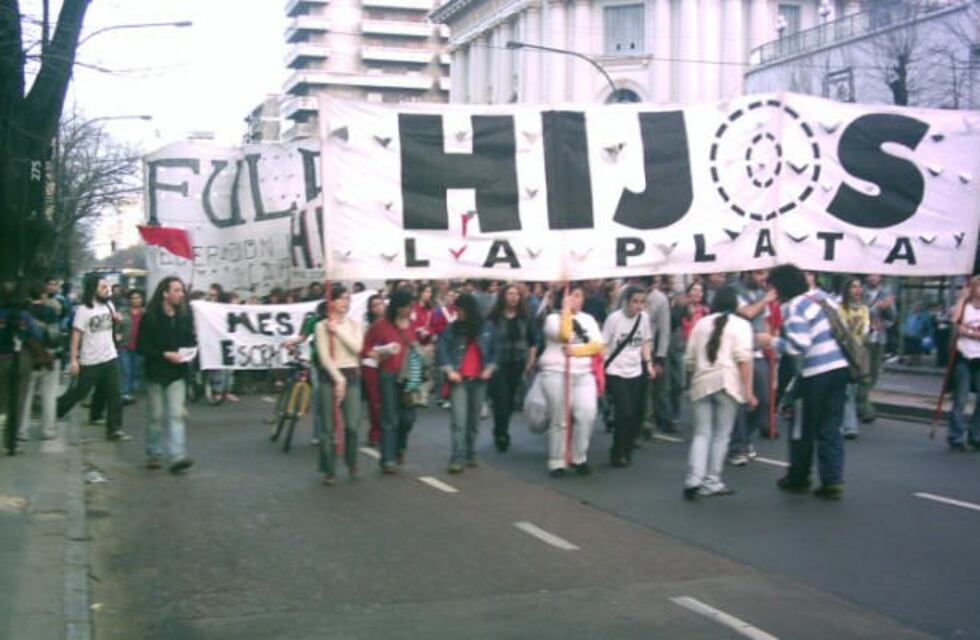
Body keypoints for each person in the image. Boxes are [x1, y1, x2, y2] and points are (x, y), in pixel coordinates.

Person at [758, 264, 850, 500]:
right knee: (830, 427)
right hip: (838, 367)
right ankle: (832, 481)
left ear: (779, 287)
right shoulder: (813, 301)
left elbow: (800, 345)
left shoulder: (793, 307)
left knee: (802, 427)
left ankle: (799, 477)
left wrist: (771, 341)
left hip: (816, 372)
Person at [683, 286, 756, 499]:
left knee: (701, 433)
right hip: (727, 382)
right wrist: (748, 392)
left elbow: (689, 360)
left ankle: (693, 478)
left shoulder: (701, 323)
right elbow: (744, 360)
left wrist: (690, 385)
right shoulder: (742, 325)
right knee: (721, 436)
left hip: (701, 381)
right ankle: (712, 481)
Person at [538, 283, 604, 477]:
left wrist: (576, 351)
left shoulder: (588, 319)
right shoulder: (552, 319)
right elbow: (565, 334)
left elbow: (597, 345)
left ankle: (579, 456)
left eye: (580, 296)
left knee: (587, 413)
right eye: (573, 295)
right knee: (560, 418)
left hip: (583, 373)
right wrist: (566, 311)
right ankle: (557, 460)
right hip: (556, 372)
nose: (577, 300)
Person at [56, 275, 128, 441]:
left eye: (107, 287)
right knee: (80, 392)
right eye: (102, 287)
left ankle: (114, 429)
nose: (106, 290)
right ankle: (57, 409)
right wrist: (74, 359)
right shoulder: (84, 310)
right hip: (90, 360)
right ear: (93, 289)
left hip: (110, 357)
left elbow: (112, 326)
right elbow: (76, 334)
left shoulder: (109, 305)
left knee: (115, 394)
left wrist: (117, 321)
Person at [137, 277, 196, 472]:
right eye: (177, 290)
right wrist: (164, 354)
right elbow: (141, 347)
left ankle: (177, 457)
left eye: (182, 291)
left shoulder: (185, 316)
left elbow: (190, 341)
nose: (181, 294)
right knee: (156, 416)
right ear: (165, 293)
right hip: (155, 374)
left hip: (177, 374)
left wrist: (189, 351)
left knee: (176, 416)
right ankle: (154, 453)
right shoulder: (150, 317)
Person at [437, 292, 498, 473]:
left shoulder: (486, 328)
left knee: (473, 421)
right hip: (460, 379)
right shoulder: (452, 329)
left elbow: (496, 350)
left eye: (461, 310)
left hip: (479, 379)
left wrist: (490, 368)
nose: (458, 314)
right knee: (458, 420)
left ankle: (471, 451)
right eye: (457, 310)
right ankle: (457, 456)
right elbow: (443, 350)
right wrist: (449, 370)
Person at [362, 288, 419, 473]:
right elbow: (365, 347)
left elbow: (415, 346)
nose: (411, 309)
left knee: (408, 418)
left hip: (409, 375)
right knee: (390, 417)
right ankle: (387, 459)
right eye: (408, 306)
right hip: (388, 374)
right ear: (398, 307)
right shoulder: (381, 325)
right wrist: (380, 352)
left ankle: (400, 446)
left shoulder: (411, 325)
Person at [315, 285, 364, 485]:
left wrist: (338, 332)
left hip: (351, 375)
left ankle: (351, 460)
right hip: (330, 377)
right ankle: (328, 469)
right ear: (332, 301)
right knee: (327, 427)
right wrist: (337, 378)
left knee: (352, 425)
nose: (345, 303)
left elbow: (357, 348)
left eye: (348, 299)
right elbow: (324, 356)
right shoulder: (321, 326)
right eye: (341, 298)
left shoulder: (354, 324)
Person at [602, 285, 655, 468]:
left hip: (635, 370)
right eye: (634, 301)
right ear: (626, 301)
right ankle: (618, 453)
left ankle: (627, 447)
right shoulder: (614, 319)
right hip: (615, 370)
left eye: (642, 302)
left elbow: (646, 340)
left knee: (635, 414)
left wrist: (648, 363)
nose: (638, 306)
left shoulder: (644, 319)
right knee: (623, 412)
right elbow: (604, 344)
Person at [728, 269, 776, 466]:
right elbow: (747, 313)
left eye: (763, 273)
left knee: (762, 399)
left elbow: (764, 322)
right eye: (757, 273)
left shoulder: (760, 293)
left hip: (756, 352)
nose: (761, 278)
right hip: (738, 352)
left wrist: (768, 339)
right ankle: (737, 447)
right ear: (745, 273)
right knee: (741, 400)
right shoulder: (733, 291)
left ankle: (746, 437)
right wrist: (766, 299)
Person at [486, 284, 537, 452]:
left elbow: (532, 341)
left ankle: (503, 428)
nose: (513, 297)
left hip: (518, 361)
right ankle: (501, 433)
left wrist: (530, 361)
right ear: (503, 296)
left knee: (510, 400)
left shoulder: (525, 317)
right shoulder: (494, 318)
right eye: (510, 293)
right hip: (498, 363)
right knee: (501, 397)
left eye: (516, 294)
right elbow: (487, 341)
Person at [18, 281, 63, 441]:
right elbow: (55, 338)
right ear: (43, 295)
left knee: (25, 395)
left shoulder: (23, 312)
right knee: (49, 395)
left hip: (28, 358)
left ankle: (21, 431)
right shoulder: (50, 312)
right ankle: (48, 430)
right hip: (48, 358)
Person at [1, 281, 41, 454]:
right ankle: (11, 443)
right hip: (20, 360)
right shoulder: (24, 316)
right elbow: (37, 335)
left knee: (3, 399)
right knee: (18, 401)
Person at [948, 277, 980, 451]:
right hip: (964, 356)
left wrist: (967, 332)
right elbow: (955, 323)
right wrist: (961, 299)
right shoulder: (965, 307)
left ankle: (976, 435)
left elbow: (964, 330)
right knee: (960, 399)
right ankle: (956, 436)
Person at [860, 274, 895, 423]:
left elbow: (892, 318)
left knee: (873, 374)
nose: (872, 278)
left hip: (879, 339)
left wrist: (887, 310)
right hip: (863, 338)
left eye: (875, 275)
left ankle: (862, 404)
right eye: (870, 275)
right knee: (863, 374)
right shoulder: (861, 292)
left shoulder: (886, 293)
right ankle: (866, 409)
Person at [837, 277, 869, 440]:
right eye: (853, 287)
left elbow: (865, 331)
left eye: (859, 287)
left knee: (851, 389)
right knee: (846, 390)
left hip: (856, 354)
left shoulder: (864, 309)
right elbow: (841, 330)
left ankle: (846, 424)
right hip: (842, 352)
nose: (857, 290)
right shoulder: (840, 308)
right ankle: (849, 426)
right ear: (847, 290)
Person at [644, 277, 672, 435]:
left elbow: (664, 329)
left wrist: (660, 357)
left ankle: (648, 419)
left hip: (650, 347)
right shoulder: (625, 292)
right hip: (628, 349)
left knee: (653, 387)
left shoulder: (660, 299)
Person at [360, 294, 386, 447]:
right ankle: (375, 433)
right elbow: (361, 345)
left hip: (387, 362)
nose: (378, 307)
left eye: (380, 304)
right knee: (374, 401)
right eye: (375, 305)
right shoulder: (365, 324)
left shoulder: (389, 322)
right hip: (370, 364)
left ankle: (386, 430)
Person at [119, 289, 145, 404]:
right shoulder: (122, 312)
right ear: (129, 300)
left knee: (135, 370)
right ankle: (124, 392)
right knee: (126, 370)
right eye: (133, 298)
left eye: (138, 297)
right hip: (124, 345)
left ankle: (130, 390)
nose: (136, 300)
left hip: (139, 346)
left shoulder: (145, 313)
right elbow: (116, 326)